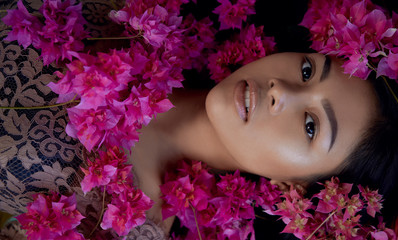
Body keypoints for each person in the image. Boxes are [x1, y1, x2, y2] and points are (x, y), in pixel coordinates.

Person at [0, 0, 397, 239]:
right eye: (308, 71)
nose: (282, 89)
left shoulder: (121, 225)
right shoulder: (141, 21)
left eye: (311, 126)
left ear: (292, 190)